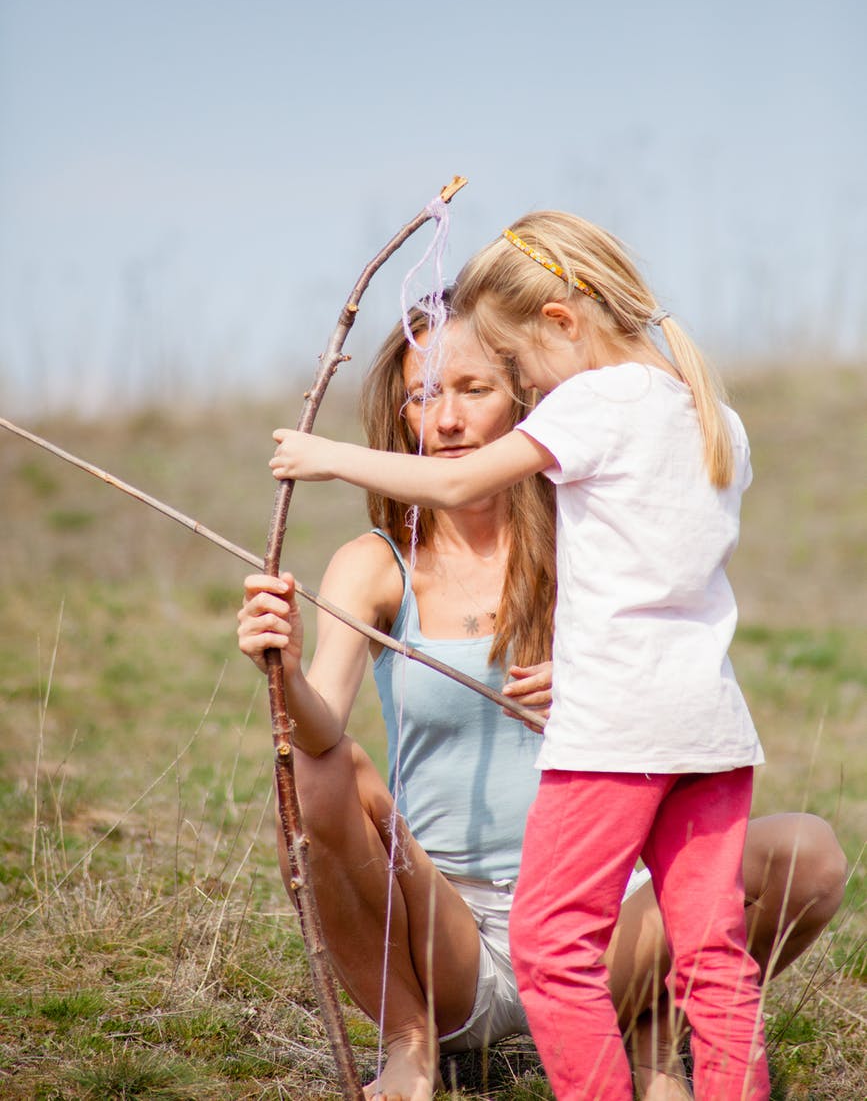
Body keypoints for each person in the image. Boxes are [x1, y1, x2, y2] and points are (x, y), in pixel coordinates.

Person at [266, 213, 846, 1101]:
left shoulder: (584, 490)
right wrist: (284, 664)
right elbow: (317, 738)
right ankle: (419, 1038)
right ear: (400, 407)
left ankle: (643, 1044)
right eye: (424, 396)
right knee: (708, 953)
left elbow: (487, 496)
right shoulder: (706, 421)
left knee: (598, 924)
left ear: (531, 381)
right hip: (464, 908)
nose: (449, 419)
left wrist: (328, 458)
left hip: (611, 835)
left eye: (482, 383)